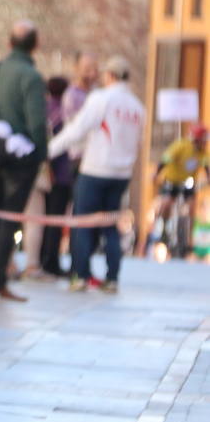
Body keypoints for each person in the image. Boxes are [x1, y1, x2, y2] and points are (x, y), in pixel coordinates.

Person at [48, 55, 145, 293]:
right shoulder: (137, 107)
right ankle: (112, 277)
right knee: (111, 225)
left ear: (109, 76)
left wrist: (48, 151)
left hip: (95, 169)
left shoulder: (101, 99)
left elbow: (76, 130)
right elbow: (138, 142)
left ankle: (80, 275)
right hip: (121, 173)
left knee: (83, 222)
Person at [0, 19, 47, 302]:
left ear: (9, 43)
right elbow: (37, 122)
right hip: (21, 155)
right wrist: (41, 153)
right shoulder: (31, 76)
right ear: (35, 45)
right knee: (9, 218)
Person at [153, 123, 210, 249]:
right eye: (203, 140)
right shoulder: (181, 146)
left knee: (192, 206)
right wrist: (156, 173)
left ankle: (189, 238)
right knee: (167, 203)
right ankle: (163, 229)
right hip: (172, 180)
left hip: (188, 183)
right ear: (196, 139)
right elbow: (165, 159)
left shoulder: (203, 153)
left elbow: (207, 167)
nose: (205, 143)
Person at [40, 75, 73, 277]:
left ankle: (42, 257)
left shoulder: (44, 109)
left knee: (42, 218)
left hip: (45, 173)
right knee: (55, 220)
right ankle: (51, 261)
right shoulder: (64, 113)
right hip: (61, 174)